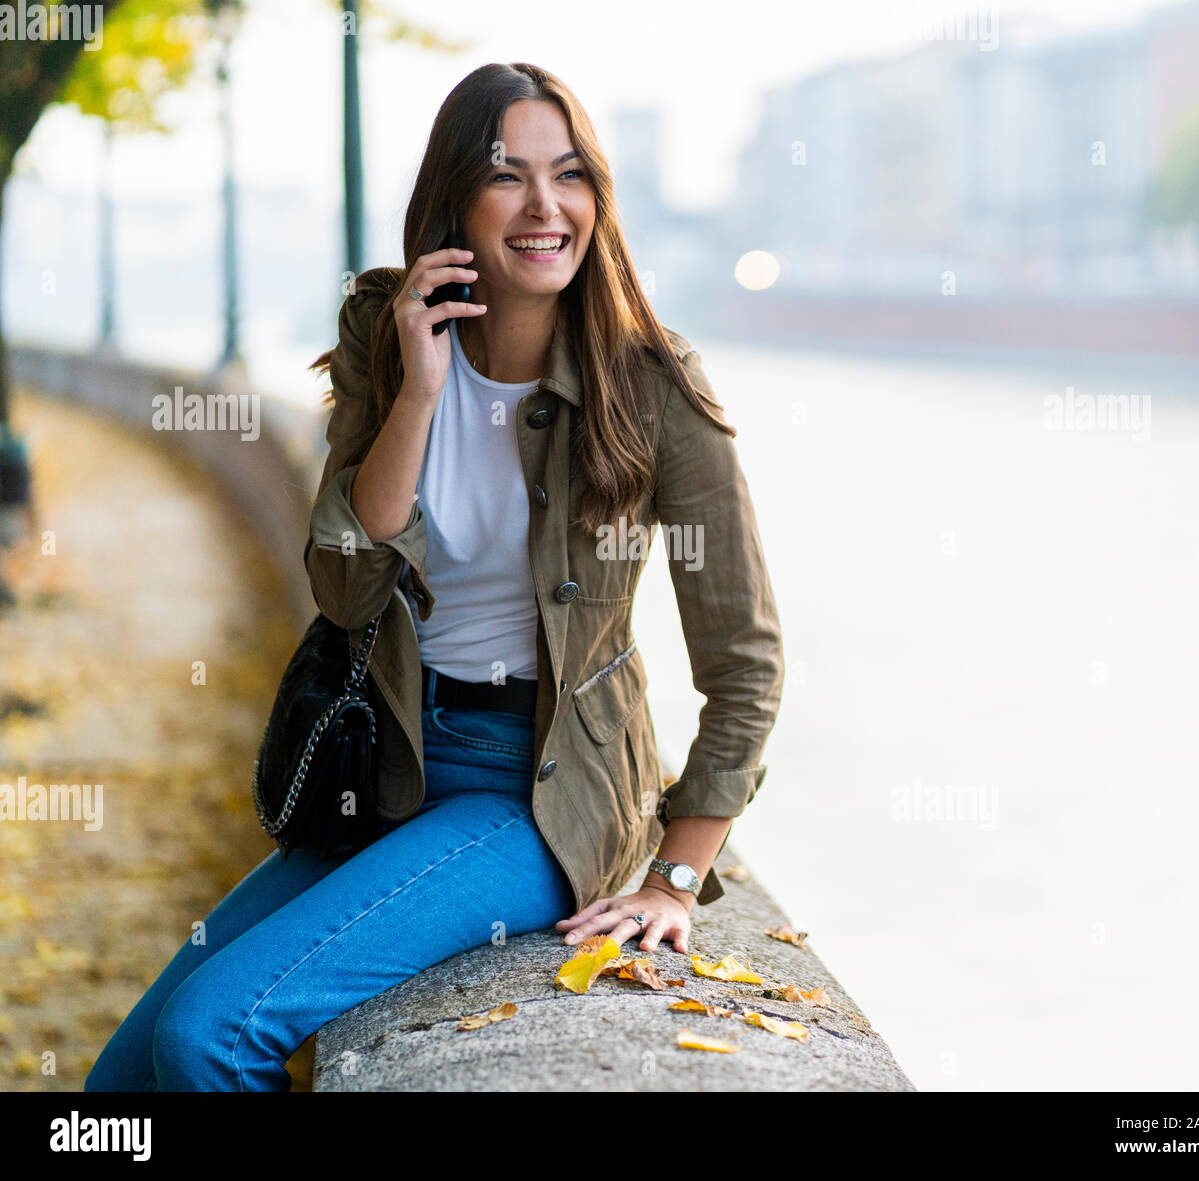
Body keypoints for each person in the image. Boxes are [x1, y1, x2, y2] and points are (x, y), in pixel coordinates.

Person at [85, 61, 782, 1093]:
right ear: (455, 199)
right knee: (124, 1076)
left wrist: (678, 873)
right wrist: (418, 389)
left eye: (572, 174)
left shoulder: (650, 383)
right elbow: (346, 586)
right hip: (395, 760)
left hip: (538, 794)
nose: (547, 207)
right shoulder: (391, 335)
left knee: (209, 1039)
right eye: (509, 177)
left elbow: (745, 659)